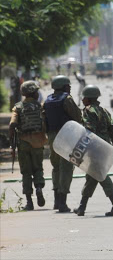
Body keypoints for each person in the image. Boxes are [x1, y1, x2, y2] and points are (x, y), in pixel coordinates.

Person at [73, 85, 113, 217]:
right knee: (92, 175)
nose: (83, 100)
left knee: (100, 174)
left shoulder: (88, 110)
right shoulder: (104, 111)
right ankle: (81, 207)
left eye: (84, 97)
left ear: (88, 99)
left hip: (94, 148)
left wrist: (81, 149)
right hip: (105, 147)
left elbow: (88, 132)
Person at [44, 75, 82, 212]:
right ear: (64, 86)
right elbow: (77, 116)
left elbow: (44, 120)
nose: (70, 87)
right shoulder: (67, 99)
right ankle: (62, 203)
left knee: (56, 167)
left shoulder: (47, 100)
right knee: (66, 167)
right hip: (66, 135)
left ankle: (56, 200)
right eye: (68, 85)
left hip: (52, 136)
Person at [9, 81, 48, 211]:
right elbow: (45, 123)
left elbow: (12, 124)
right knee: (38, 169)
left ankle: (29, 202)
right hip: (38, 142)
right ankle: (38, 188)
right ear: (33, 92)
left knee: (26, 172)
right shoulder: (40, 106)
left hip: (23, 143)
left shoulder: (18, 107)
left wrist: (11, 142)